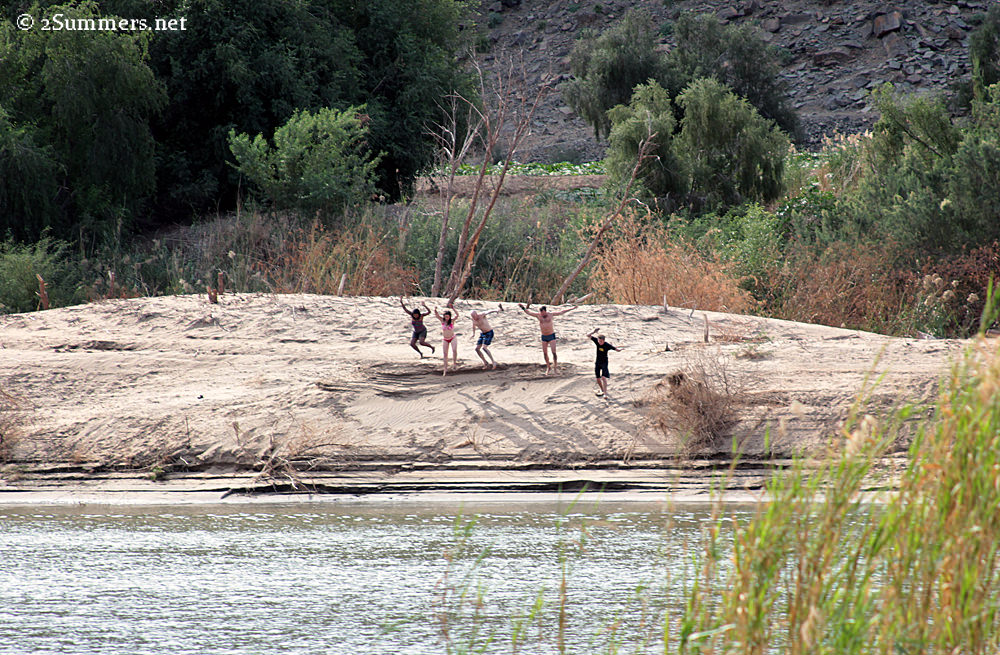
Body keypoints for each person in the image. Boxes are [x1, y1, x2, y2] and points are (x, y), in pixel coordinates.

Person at [518, 303, 577, 374]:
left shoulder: (550, 315)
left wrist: (572, 308)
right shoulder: (538, 315)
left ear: (545, 311)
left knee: (554, 352)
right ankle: (548, 367)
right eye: (541, 312)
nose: (542, 314)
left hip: (551, 336)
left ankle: (555, 368)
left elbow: (561, 312)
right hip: (544, 336)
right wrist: (523, 307)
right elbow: (529, 312)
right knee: (545, 353)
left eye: (542, 312)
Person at [588, 328, 623, 397]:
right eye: (599, 341)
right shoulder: (597, 342)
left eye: (601, 341)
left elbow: (616, 349)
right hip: (597, 362)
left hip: (604, 362)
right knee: (598, 378)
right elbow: (588, 335)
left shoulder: (607, 345)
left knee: (603, 377)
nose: (599, 342)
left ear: (604, 340)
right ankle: (602, 390)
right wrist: (594, 332)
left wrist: (620, 349)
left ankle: (605, 394)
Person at [470, 305, 503, 369]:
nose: (474, 318)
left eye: (475, 316)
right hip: (483, 333)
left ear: (476, 314)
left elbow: (488, 311)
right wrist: (473, 333)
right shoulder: (473, 320)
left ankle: (493, 362)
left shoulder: (481, 315)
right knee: (477, 349)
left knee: (484, 348)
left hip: (489, 332)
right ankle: (485, 363)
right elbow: (473, 326)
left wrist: (496, 310)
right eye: (473, 317)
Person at [434, 306, 458, 376]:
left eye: (448, 317)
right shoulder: (442, 321)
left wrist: (453, 308)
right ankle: (445, 369)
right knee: (445, 354)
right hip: (445, 338)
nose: (447, 318)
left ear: (450, 317)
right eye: (445, 317)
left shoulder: (452, 321)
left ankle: (454, 363)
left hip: (452, 337)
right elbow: (437, 315)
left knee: (454, 350)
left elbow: (457, 315)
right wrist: (435, 310)